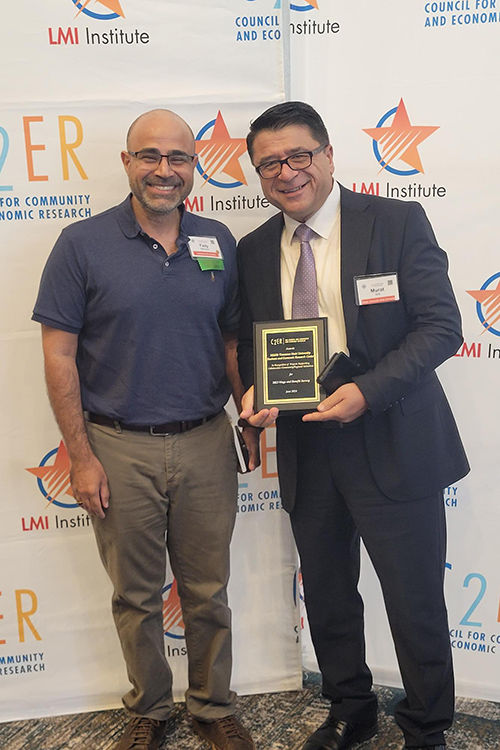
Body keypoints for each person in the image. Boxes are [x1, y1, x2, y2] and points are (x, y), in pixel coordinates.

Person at [237, 101, 469, 750]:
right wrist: (256, 388)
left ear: (330, 155)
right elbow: (256, 343)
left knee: (415, 601)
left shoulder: (395, 222)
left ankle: (426, 727)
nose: (286, 173)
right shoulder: (256, 249)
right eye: (269, 163)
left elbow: (441, 327)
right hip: (308, 447)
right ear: (258, 173)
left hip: (394, 437)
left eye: (299, 155)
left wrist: (367, 392)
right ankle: (351, 708)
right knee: (331, 596)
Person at [32, 109, 258, 750]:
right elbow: (58, 357)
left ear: (195, 166)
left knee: (208, 589)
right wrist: (79, 456)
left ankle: (213, 707)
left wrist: (244, 410)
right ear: (128, 162)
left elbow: (229, 340)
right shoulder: (81, 245)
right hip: (116, 445)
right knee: (136, 595)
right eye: (150, 156)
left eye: (179, 158)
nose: (165, 170)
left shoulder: (218, 241)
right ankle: (150, 709)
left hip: (207, 440)